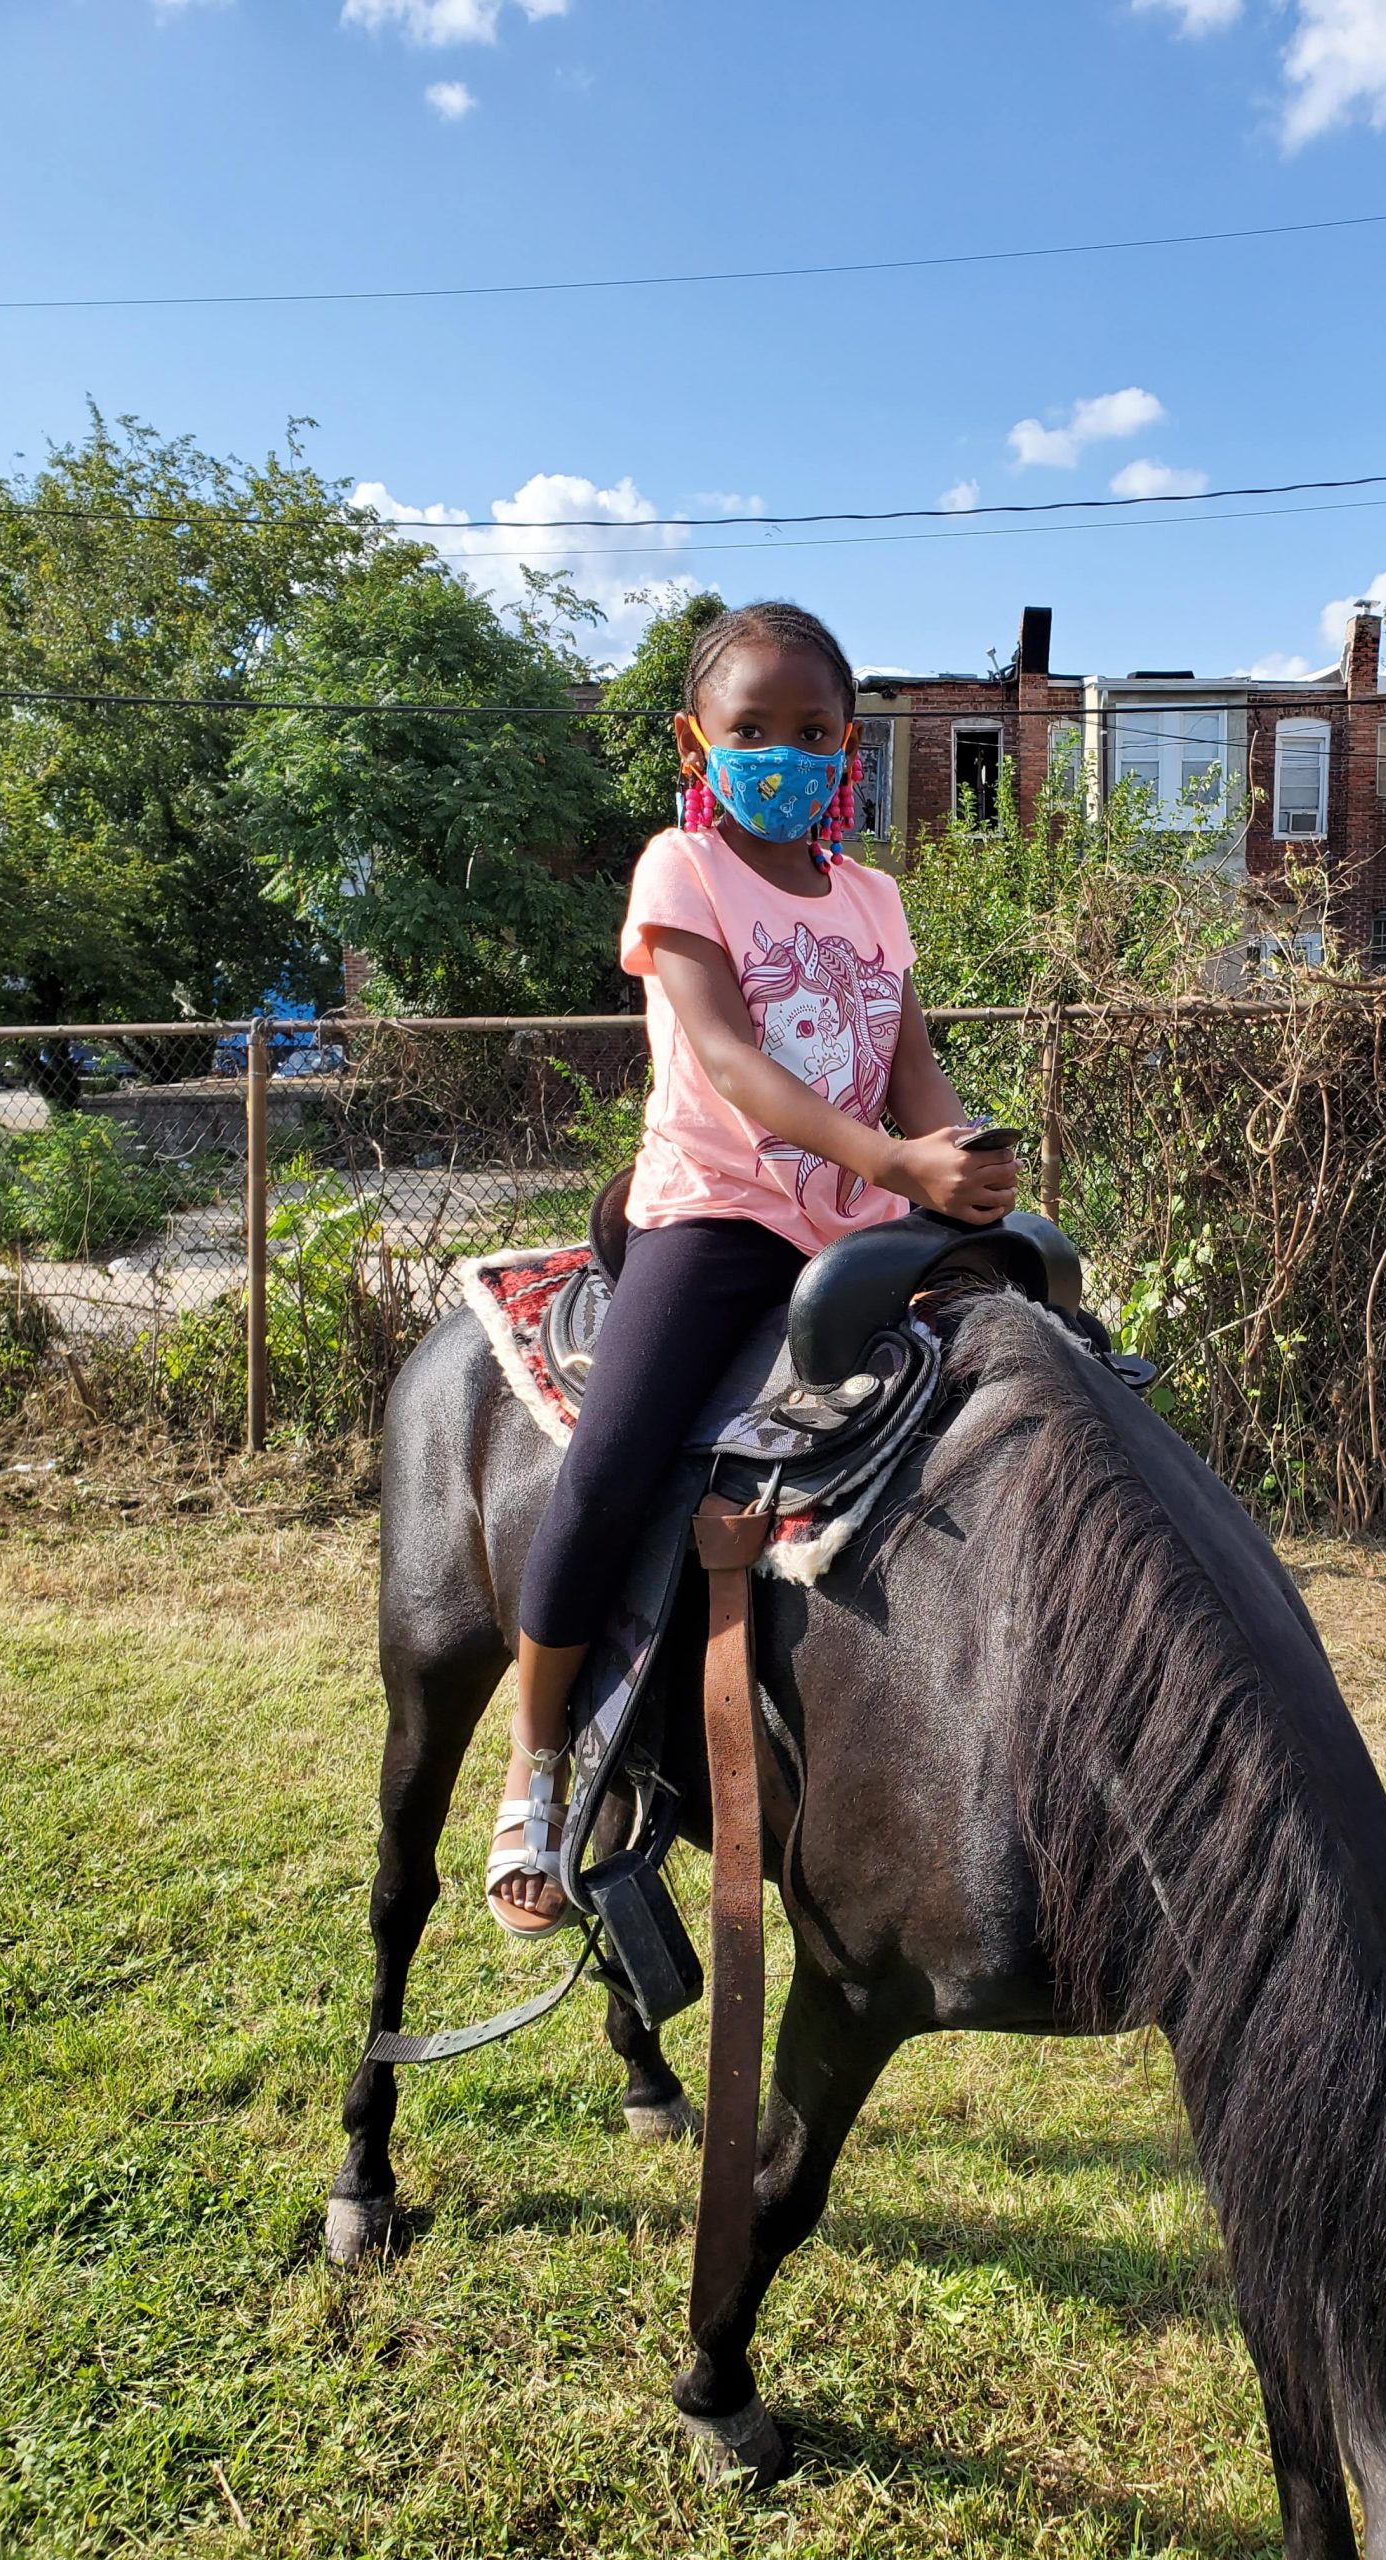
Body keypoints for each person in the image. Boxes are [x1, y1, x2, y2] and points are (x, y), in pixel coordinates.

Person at [486, 600, 1017, 1932]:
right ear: (695, 740)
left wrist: (960, 1159)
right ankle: (537, 1759)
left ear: (851, 750)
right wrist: (900, 1167)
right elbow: (727, 1060)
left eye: (814, 732)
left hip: (860, 1235)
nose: (784, 754)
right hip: (717, 1220)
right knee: (610, 1467)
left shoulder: (876, 900)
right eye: (753, 731)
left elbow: (910, 1072)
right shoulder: (681, 869)